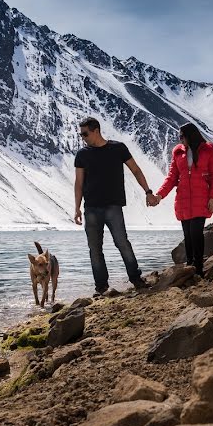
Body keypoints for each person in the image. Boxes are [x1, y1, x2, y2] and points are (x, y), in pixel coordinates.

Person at [74, 117, 158, 294]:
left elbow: (135, 170)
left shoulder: (117, 148)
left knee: (122, 243)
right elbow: (79, 183)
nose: (82, 137)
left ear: (96, 130)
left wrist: (148, 192)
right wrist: (77, 208)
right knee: (95, 249)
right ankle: (101, 287)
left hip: (113, 207)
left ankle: (136, 279)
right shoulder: (82, 154)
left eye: (85, 134)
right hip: (91, 209)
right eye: (81, 134)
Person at [151, 122, 213, 276]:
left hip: (201, 199)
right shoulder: (177, 152)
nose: (180, 139)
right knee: (188, 235)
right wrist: (159, 195)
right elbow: (171, 178)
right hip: (183, 200)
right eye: (179, 136)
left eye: (182, 136)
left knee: (196, 232)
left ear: (191, 135)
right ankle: (190, 266)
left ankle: (198, 268)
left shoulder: (208, 149)